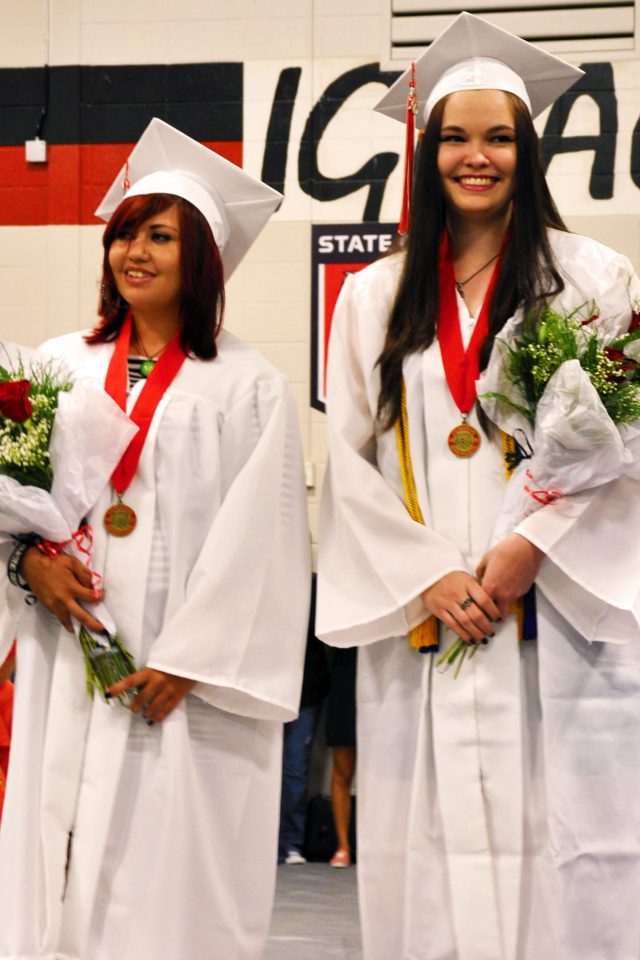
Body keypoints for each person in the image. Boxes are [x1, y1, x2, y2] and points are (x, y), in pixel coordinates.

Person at [317, 12, 640, 960]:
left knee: (567, 846)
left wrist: (527, 548)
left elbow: (624, 437)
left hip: (551, 621)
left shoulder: (591, 277)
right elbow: (348, 459)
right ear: (427, 152)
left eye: (499, 136)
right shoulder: (375, 295)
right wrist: (425, 574)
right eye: (455, 136)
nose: (477, 156)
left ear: (528, 149)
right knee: (427, 856)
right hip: (429, 620)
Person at [0, 118, 310, 960]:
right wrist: (28, 565)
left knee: (171, 873)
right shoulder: (56, 365)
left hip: (182, 681)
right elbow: (11, 509)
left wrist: (193, 661)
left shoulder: (249, 386)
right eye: (126, 233)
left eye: (160, 235)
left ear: (202, 256)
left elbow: (269, 543)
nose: (135, 251)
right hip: (69, 655)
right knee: (54, 846)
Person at [325, 646, 356, 867]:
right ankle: (343, 846)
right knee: (342, 771)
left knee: (385, 773)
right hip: (345, 677)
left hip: (387, 675)